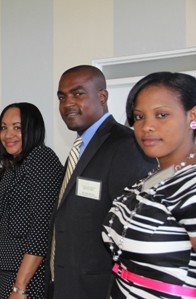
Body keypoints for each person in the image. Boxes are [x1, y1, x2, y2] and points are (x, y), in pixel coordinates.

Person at [47, 65, 157, 299]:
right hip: (68, 284)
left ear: (102, 96)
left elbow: (137, 230)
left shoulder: (127, 144)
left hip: (102, 288)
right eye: (61, 97)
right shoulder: (80, 148)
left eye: (78, 93)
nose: (67, 103)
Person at [102, 72, 196, 299]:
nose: (147, 127)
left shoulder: (191, 185)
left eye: (162, 115)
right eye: (139, 117)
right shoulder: (157, 176)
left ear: (192, 116)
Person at [0, 102, 63, 298]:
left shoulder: (41, 157)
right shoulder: (9, 169)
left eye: (17, 127)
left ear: (33, 129)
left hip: (30, 275)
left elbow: (42, 225)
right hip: (7, 272)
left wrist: (20, 286)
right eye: (4, 127)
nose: (8, 134)